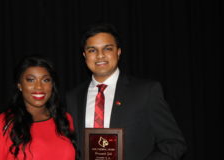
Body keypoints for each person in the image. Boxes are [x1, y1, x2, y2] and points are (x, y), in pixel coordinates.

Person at [66, 24, 187, 160]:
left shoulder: (146, 92)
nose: (100, 56)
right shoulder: (73, 98)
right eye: (92, 50)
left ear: (118, 52)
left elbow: (174, 143)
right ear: (84, 55)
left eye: (107, 49)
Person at [0, 56, 77, 160]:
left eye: (45, 80)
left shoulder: (64, 120)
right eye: (31, 80)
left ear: (52, 85)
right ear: (19, 85)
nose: (39, 87)